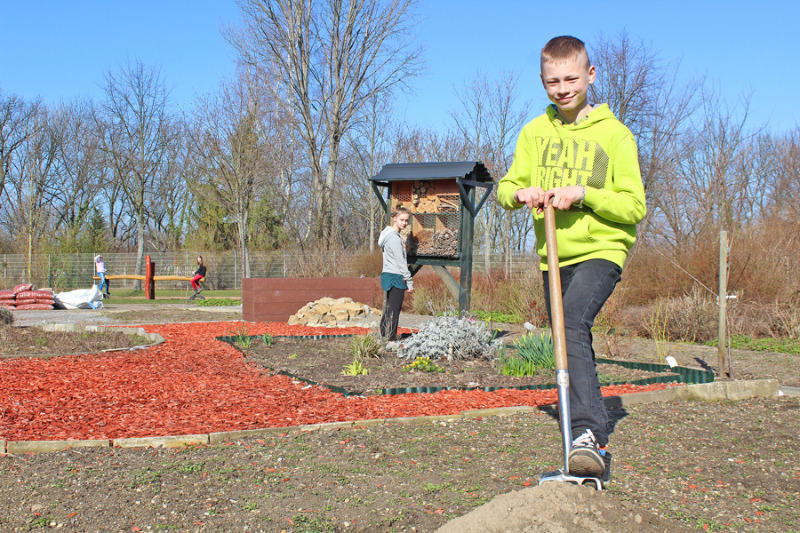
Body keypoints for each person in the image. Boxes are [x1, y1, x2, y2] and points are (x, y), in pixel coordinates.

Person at [497, 36, 646, 479]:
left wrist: (584, 193)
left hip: (602, 248)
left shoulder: (615, 135)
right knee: (570, 334)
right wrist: (519, 192)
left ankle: (587, 435)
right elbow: (506, 187)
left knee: (571, 323)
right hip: (553, 255)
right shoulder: (533, 133)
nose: (562, 88)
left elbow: (633, 205)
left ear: (590, 76)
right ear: (542, 81)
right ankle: (587, 423)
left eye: (571, 78)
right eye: (552, 81)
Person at [378, 206, 414, 347]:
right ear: (394, 218)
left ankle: (383, 334)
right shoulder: (393, 238)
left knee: (389, 307)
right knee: (394, 308)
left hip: (388, 273)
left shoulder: (387, 235)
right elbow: (401, 262)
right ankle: (391, 340)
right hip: (395, 275)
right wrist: (409, 282)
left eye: (406, 221)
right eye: (401, 220)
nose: (404, 223)